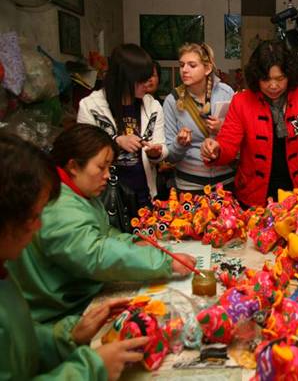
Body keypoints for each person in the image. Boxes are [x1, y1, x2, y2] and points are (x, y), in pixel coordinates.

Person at [6, 124, 196, 324]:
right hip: (61, 316)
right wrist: (164, 262)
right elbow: (96, 253)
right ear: (73, 166)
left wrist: (132, 242)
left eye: (109, 167)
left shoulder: (79, 192)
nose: (107, 175)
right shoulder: (58, 204)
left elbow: (103, 234)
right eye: (101, 167)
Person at [0, 131, 149, 380]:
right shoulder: (61, 209)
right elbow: (96, 254)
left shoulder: (4, 274)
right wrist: (91, 369)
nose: (39, 227)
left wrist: (67, 336)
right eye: (34, 216)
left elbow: (21, 345)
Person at [200, 41, 298, 208]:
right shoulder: (241, 101)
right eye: (266, 79)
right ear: (256, 77)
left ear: (289, 75)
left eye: (280, 79)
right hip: (253, 196)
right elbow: (228, 141)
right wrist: (216, 149)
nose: (273, 86)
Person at [78, 44, 167, 209]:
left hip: (144, 195)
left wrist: (156, 153)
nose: (147, 85)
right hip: (106, 199)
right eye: (141, 80)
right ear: (126, 79)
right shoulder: (91, 106)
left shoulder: (153, 106)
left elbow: (162, 146)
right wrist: (116, 141)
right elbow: (83, 150)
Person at [164, 42, 235, 192]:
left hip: (225, 183)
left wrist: (222, 129)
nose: (184, 70)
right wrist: (179, 144)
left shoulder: (226, 93)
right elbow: (170, 156)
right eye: (182, 65)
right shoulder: (172, 100)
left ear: (207, 68)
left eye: (192, 65)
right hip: (189, 185)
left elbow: (239, 138)